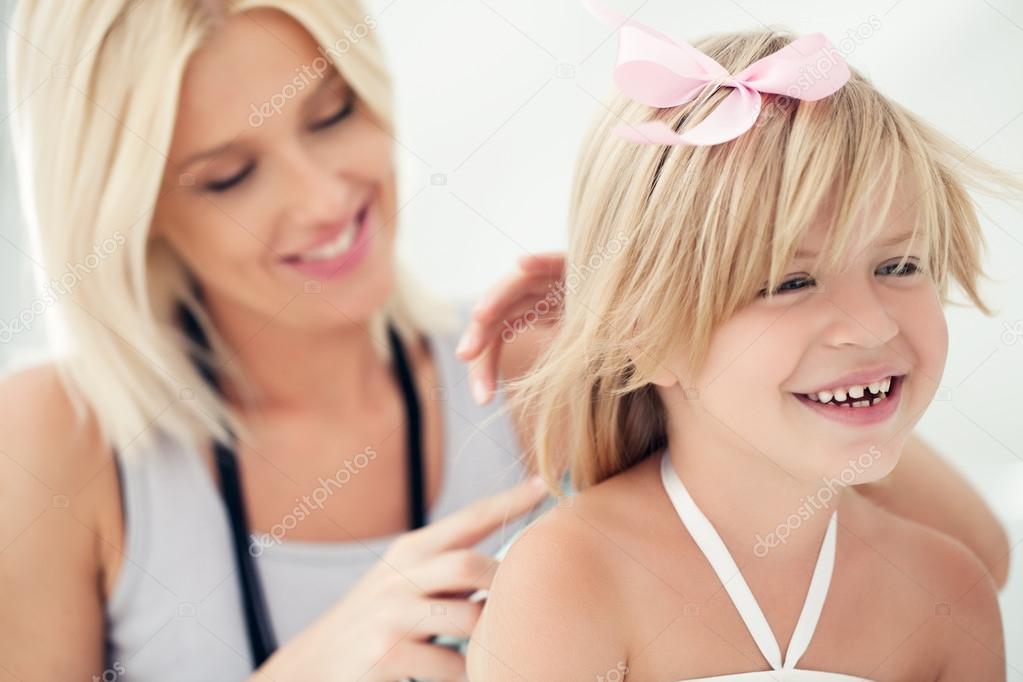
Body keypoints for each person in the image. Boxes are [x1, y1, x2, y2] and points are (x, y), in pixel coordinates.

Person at [0, 1, 1009, 681]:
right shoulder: (51, 439)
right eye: (228, 174)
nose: (321, 198)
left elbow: (971, 560)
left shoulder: (529, 361)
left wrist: (682, 311)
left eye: (333, 114)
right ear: (130, 212)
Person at [467, 7, 1022, 681]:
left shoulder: (946, 589)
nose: (872, 325)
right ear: (641, 334)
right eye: (790, 281)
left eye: (898, 266)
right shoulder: (571, 575)